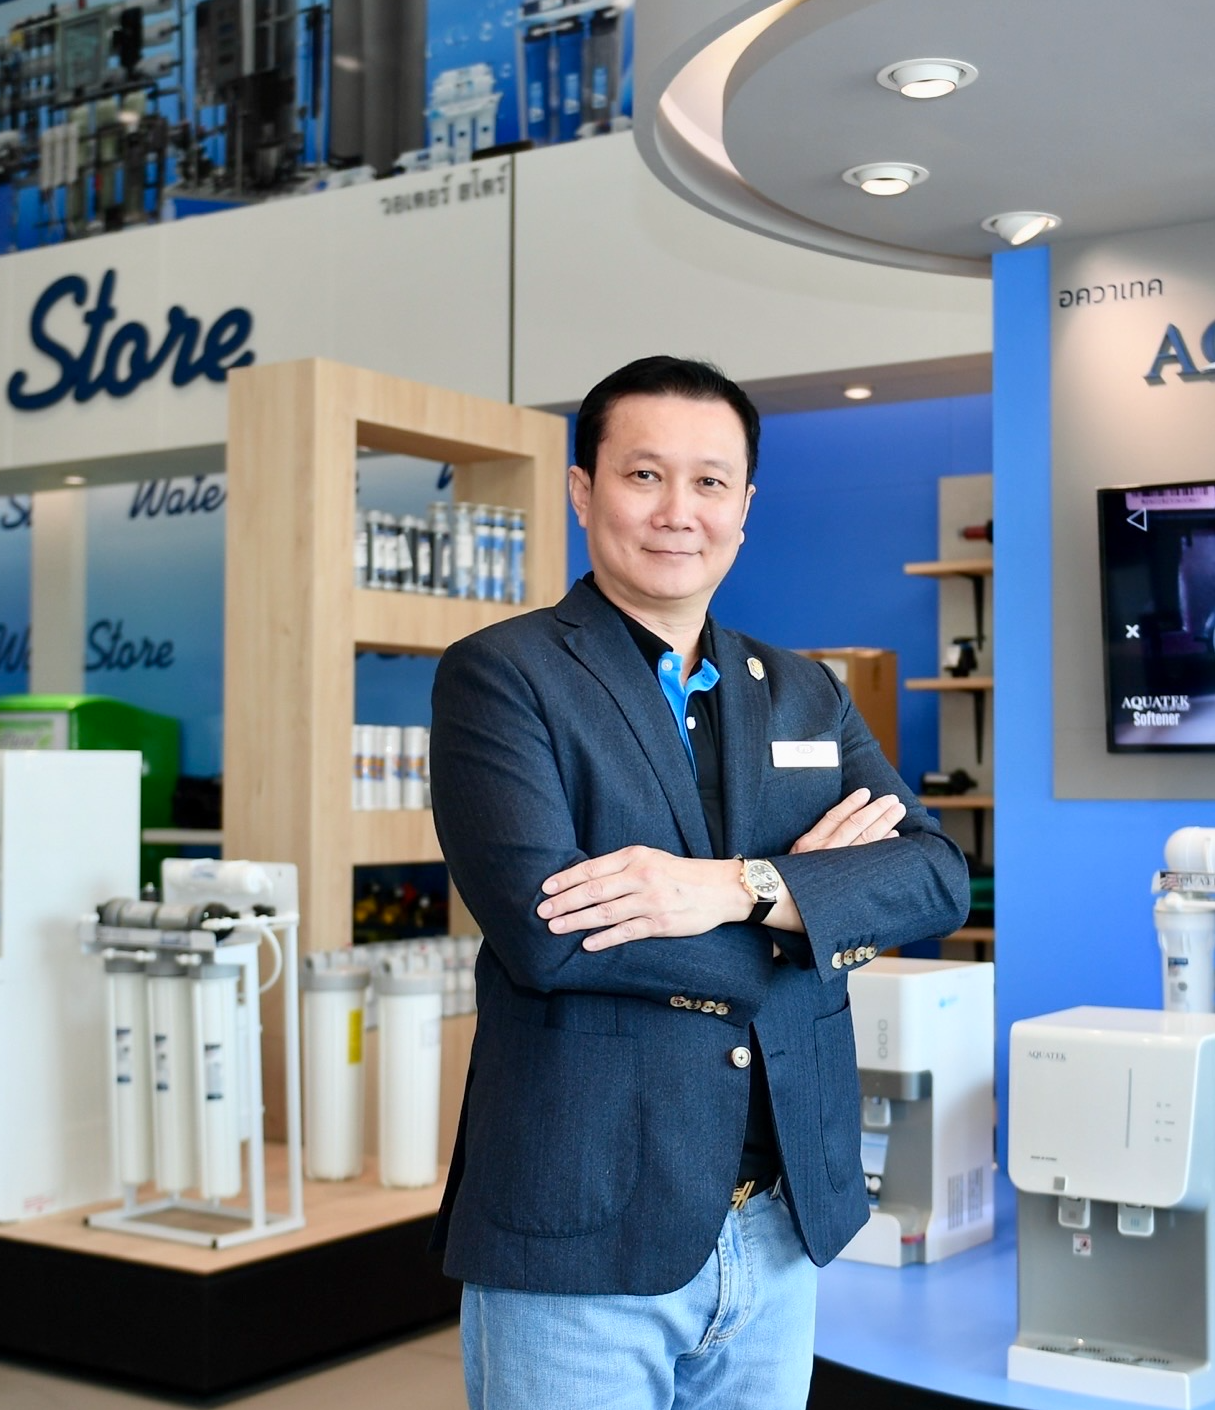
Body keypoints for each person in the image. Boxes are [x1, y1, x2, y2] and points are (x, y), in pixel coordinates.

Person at [429, 355, 971, 1408]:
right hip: (584, 1225)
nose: (679, 511)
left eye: (710, 482)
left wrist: (738, 887)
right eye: (644, 475)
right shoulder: (504, 676)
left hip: (779, 1222)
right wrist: (814, 913)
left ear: (745, 506)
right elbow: (552, 935)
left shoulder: (805, 691)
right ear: (583, 489)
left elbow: (935, 877)